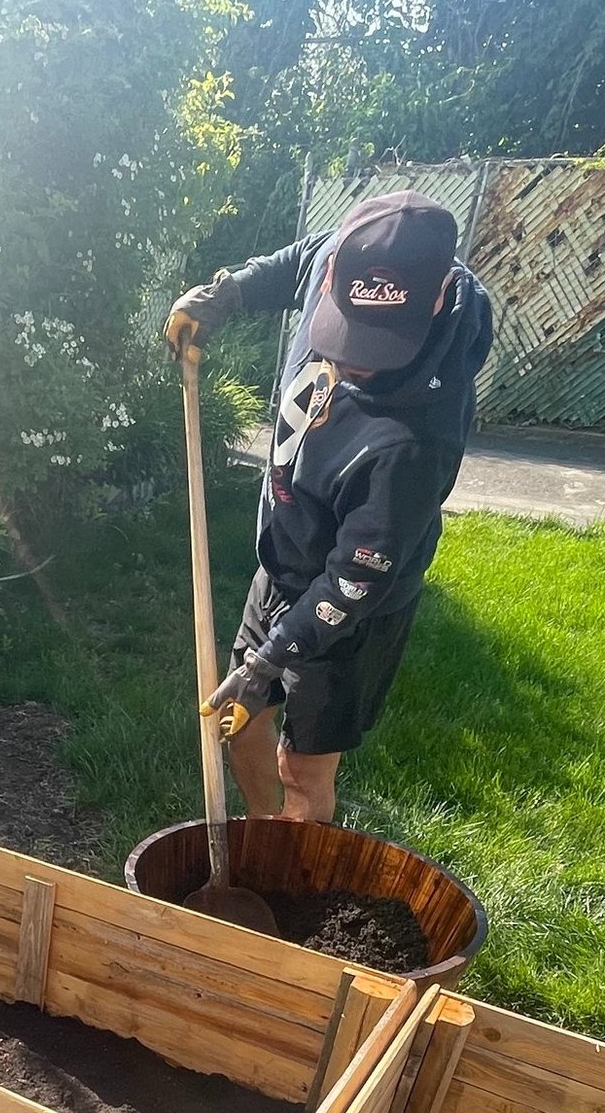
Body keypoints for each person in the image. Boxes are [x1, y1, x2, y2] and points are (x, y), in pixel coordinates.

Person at [164, 191, 493, 822]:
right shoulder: (341, 259)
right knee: (238, 720)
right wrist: (228, 293)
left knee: (302, 766)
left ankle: (296, 872)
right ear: (339, 276)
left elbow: (356, 577)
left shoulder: (418, 441)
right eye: (344, 332)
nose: (346, 362)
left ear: (434, 300)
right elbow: (299, 260)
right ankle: (266, 837)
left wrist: (275, 656)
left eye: (375, 348)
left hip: (353, 606)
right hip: (285, 557)